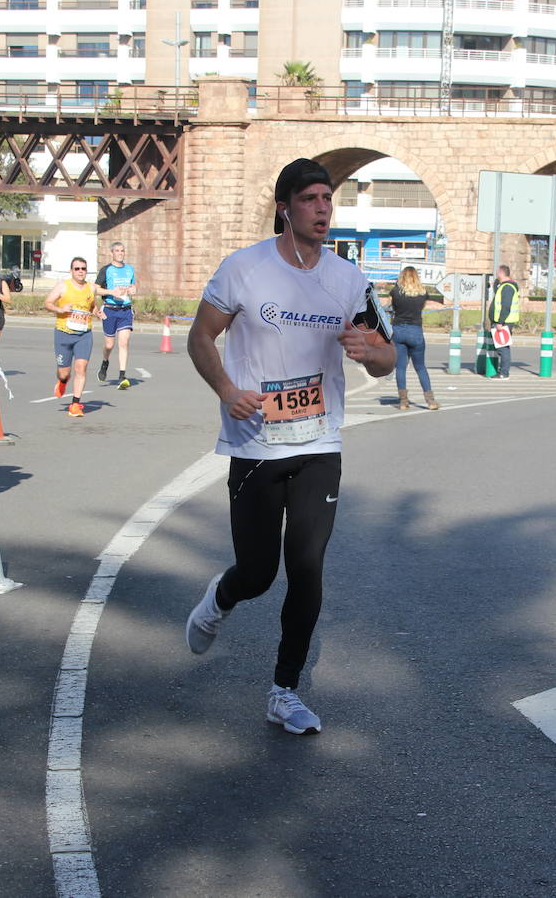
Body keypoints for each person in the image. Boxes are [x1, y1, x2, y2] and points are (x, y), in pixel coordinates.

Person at [185, 157, 395, 735]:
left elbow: (387, 358)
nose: (323, 208)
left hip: (319, 442)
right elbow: (201, 336)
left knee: (307, 569)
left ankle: (284, 690)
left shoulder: (349, 281)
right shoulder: (244, 269)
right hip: (255, 443)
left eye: (329, 198)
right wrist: (228, 390)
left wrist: (369, 353)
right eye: (311, 199)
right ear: (285, 206)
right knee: (257, 573)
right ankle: (222, 597)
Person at [43, 256, 103, 417]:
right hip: (63, 334)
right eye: (77, 268)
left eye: (83, 268)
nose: (80, 271)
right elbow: (47, 303)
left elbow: (91, 305)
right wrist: (60, 309)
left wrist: (97, 312)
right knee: (64, 373)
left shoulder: (90, 288)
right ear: (71, 271)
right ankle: (62, 382)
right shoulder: (63, 286)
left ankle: (75, 404)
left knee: (81, 368)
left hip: (84, 334)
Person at [388, 265, 441, 411]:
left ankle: (403, 402)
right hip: (416, 331)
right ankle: (430, 401)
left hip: (398, 330)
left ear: (402, 277)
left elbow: (391, 307)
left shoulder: (396, 292)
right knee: (420, 367)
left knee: (401, 367)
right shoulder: (422, 293)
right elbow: (421, 308)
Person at [95, 241, 138, 388]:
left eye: (122, 251)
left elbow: (133, 286)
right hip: (110, 310)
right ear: (112, 253)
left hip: (125, 310)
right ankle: (105, 362)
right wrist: (111, 292)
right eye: (117, 251)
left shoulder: (130, 269)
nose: (120, 253)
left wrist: (133, 290)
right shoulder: (106, 270)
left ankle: (122, 376)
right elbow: (95, 289)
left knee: (124, 342)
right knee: (109, 345)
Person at [490, 264, 521, 380]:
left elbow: (505, 306)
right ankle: (503, 371)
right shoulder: (504, 286)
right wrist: (495, 284)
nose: (497, 275)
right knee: (502, 347)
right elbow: (497, 293)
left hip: (504, 322)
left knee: (503, 348)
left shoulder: (507, 287)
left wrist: (500, 322)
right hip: (504, 321)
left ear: (501, 273)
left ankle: (504, 372)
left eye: (498, 273)